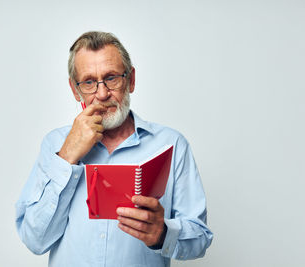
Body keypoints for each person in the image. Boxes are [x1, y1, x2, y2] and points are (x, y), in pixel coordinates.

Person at [15, 31, 213, 267]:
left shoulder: (171, 144)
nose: (102, 94)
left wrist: (163, 234)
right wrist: (67, 156)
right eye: (89, 82)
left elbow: (200, 238)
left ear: (131, 80)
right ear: (75, 89)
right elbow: (35, 240)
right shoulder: (55, 144)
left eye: (111, 78)